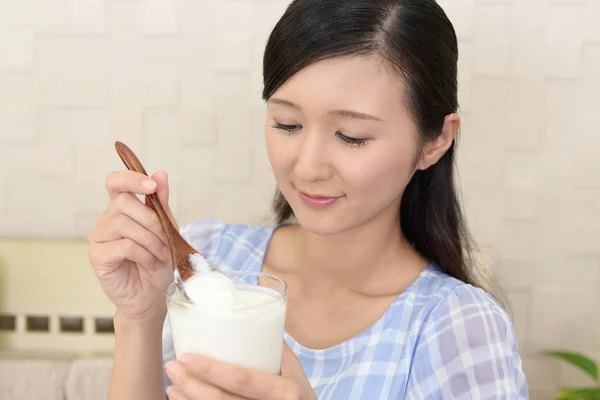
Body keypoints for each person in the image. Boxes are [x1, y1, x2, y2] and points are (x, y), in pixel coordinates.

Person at [88, 0, 529, 398]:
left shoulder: (459, 328)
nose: (307, 167)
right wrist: (138, 319)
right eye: (287, 125)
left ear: (435, 142)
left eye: (352, 136)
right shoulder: (207, 259)